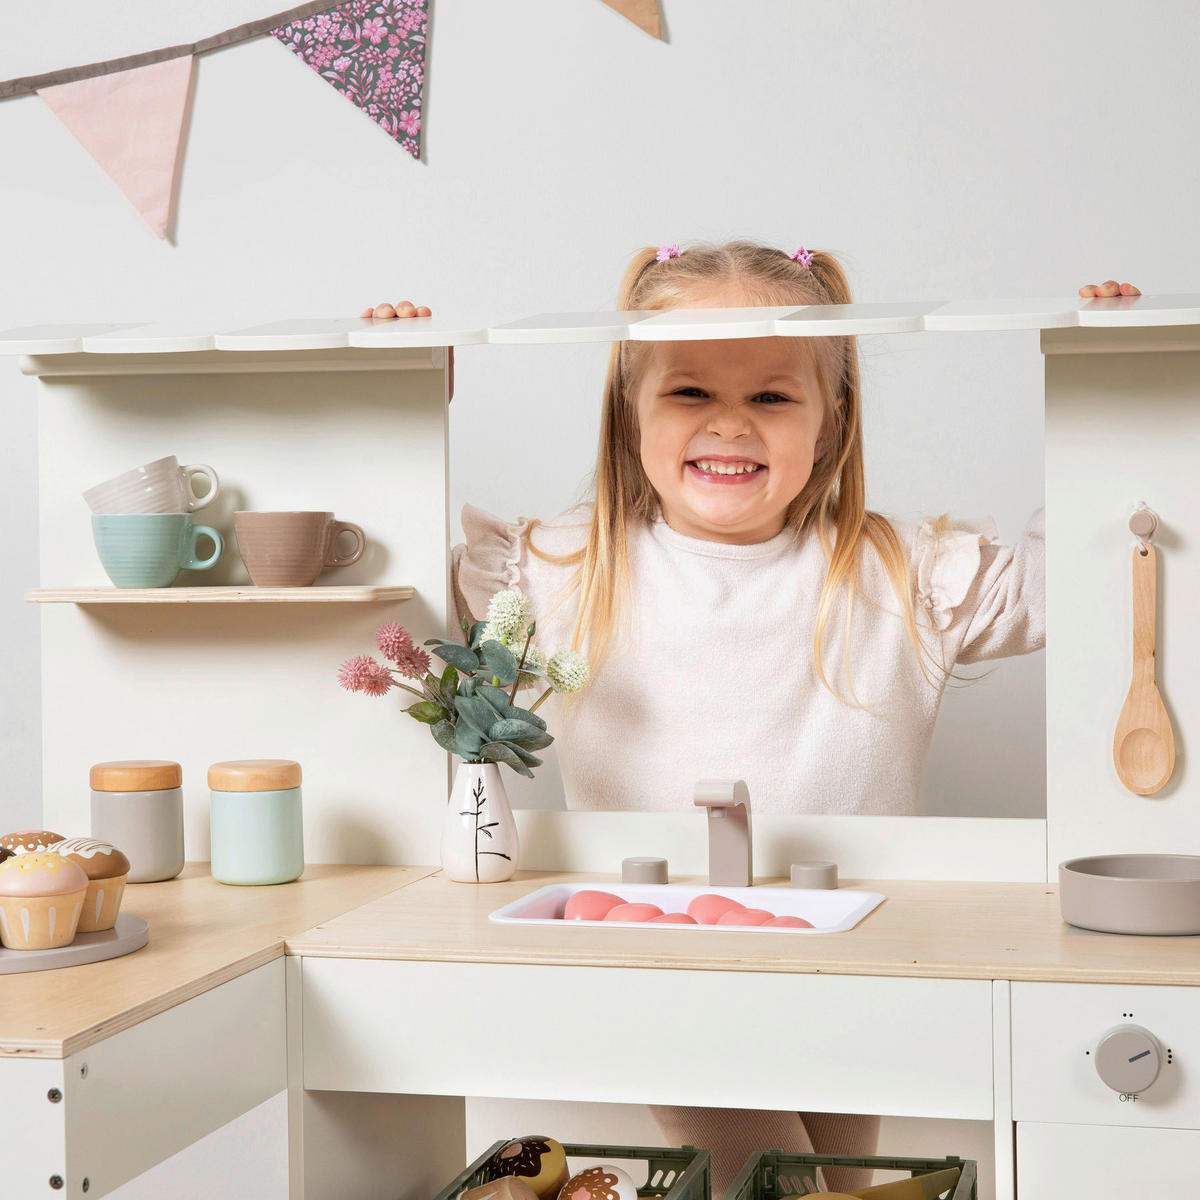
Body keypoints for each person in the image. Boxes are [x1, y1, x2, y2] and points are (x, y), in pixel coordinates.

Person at [363, 256, 1138, 1191]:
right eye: (690, 390)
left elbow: (1085, 582)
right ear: (628, 411)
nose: (729, 422)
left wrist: (1120, 384)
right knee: (784, 1188)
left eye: (772, 396)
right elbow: (379, 582)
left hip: (856, 959)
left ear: (832, 421)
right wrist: (393, 392)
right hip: (664, 962)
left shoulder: (899, 572)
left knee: (845, 1186)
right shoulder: (559, 569)